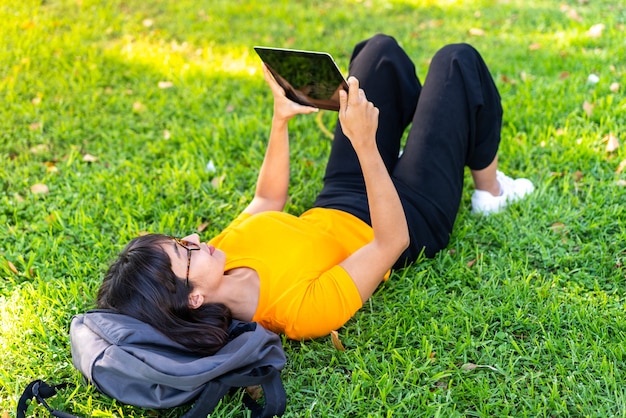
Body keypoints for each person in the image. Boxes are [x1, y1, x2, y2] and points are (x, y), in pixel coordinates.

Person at [96, 34, 533, 355]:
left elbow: (267, 201)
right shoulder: (299, 312)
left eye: (180, 239)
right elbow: (390, 241)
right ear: (193, 299)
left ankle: (410, 147)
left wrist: (280, 116)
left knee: (378, 54)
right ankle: (489, 191)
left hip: (339, 197)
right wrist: (364, 145)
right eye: (184, 252)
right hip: (408, 218)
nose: (194, 238)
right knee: (457, 62)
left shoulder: (223, 255)